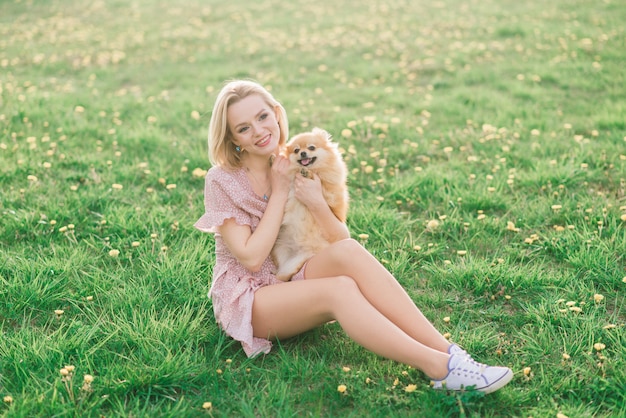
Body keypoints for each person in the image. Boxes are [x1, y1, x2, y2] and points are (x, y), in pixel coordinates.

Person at [194, 79, 513, 394]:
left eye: (263, 117)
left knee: (349, 250)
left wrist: (318, 203)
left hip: (290, 275)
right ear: (233, 138)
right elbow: (250, 258)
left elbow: (338, 236)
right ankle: (439, 369)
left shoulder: (294, 159)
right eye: (244, 128)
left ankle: (449, 353)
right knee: (340, 290)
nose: (260, 130)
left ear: (276, 113)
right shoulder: (222, 180)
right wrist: (279, 191)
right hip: (249, 296)